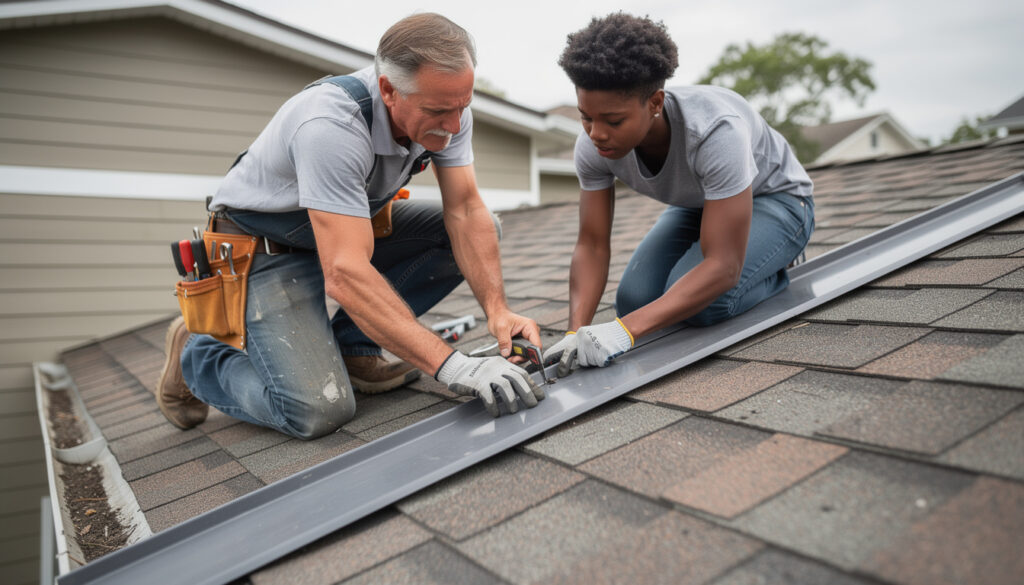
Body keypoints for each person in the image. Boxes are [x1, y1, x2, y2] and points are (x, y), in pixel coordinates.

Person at [157, 13, 544, 439]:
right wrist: (455, 366)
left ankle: (353, 347)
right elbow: (344, 272)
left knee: (476, 229)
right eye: (438, 111)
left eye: (462, 107)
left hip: (342, 231)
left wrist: (498, 311)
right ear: (388, 90)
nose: (453, 126)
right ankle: (201, 353)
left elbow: (466, 211)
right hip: (265, 250)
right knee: (317, 410)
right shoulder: (330, 126)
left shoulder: (446, 104)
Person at [543, 13, 814, 376]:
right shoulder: (592, 145)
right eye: (586, 117)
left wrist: (624, 332)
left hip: (778, 201)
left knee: (707, 304)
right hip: (699, 205)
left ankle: (775, 266)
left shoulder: (716, 132)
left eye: (614, 121)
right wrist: (575, 332)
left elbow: (723, 265)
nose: (596, 134)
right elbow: (591, 245)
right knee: (634, 301)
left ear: (655, 103)